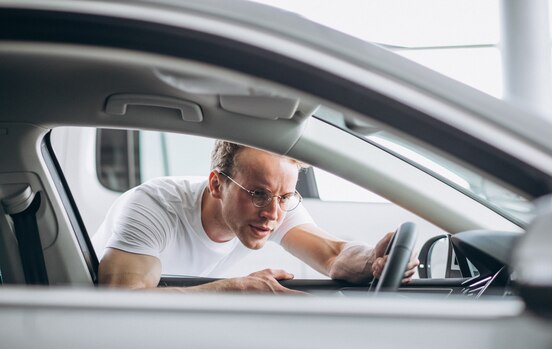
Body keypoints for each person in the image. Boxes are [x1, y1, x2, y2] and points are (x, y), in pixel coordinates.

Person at [92, 140, 418, 293]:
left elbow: (334, 254)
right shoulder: (153, 206)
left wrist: (371, 260)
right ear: (217, 184)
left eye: (285, 197)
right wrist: (235, 289)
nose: (273, 214)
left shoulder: (273, 205)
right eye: (258, 194)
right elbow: (122, 304)